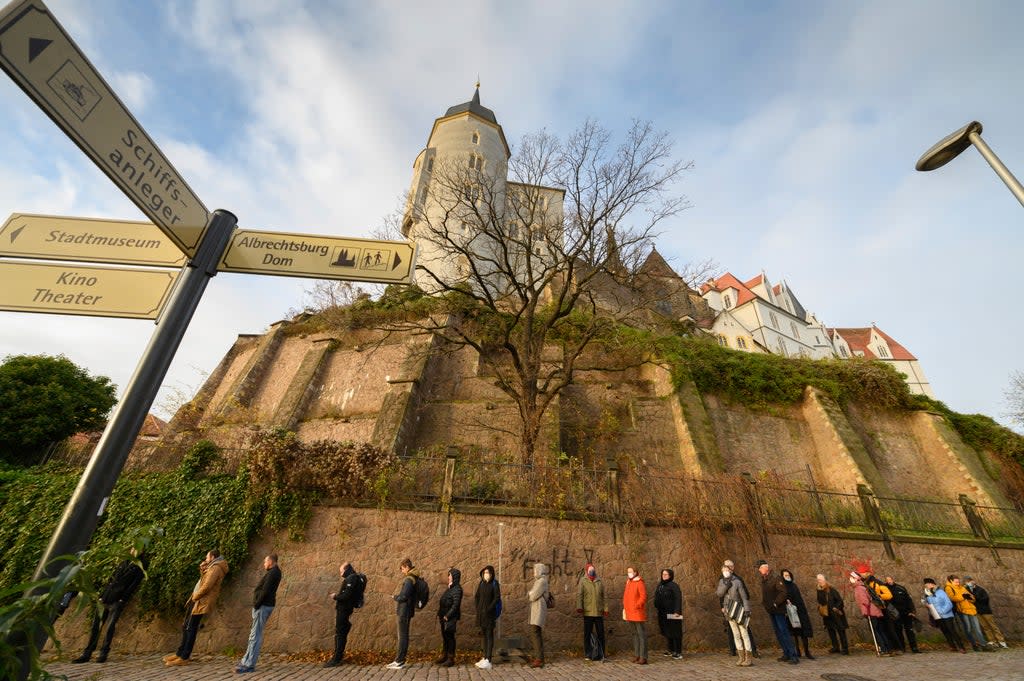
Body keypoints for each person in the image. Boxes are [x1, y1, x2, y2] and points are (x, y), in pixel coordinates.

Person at [72, 547, 148, 664]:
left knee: (109, 628)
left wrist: (122, 600)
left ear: (142, 551)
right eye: (133, 548)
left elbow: (134, 585)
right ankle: (87, 654)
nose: (135, 551)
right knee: (96, 627)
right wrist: (102, 596)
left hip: (117, 600)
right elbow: (112, 579)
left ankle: (104, 653)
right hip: (106, 597)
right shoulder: (124, 561)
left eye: (138, 549)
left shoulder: (141, 565)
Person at [164, 550, 229, 667]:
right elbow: (204, 580)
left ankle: (184, 657)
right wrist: (203, 569)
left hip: (201, 601)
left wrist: (196, 596)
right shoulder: (212, 566)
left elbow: (207, 586)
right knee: (186, 626)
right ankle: (180, 653)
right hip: (197, 600)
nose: (206, 558)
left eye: (207, 557)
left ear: (213, 557)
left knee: (191, 628)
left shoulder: (216, 568)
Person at [235, 554, 281, 674]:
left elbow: (265, 591)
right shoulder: (273, 572)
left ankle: (249, 664)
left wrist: (257, 604)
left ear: (271, 562)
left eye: (265, 562)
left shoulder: (273, 573)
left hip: (263, 606)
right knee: (253, 635)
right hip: (263, 605)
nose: (264, 564)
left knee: (255, 636)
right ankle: (246, 660)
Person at [756, 559, 798, 664]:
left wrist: (776, 603)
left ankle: (793, 655)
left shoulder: (775, 578)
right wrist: (765, 604)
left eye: (760, 568)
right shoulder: (764, 579)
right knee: (778, 632)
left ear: (765, 568)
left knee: (784, 631)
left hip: (778, 609)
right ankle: (786, 653)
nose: (759, 570)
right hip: (771, 610)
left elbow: (783, 592)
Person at [325, 562, 362, 667]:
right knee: (341, 633)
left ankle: (336, 659)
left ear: (347, 569)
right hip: (345, 609)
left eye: (341, 571)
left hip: (344, 610)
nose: (340, 573)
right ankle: (338, 656)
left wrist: (335, 596)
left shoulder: (351, 578)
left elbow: (346, 596)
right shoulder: (351, 578)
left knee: (340, 634)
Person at [717, 562, 753, 666]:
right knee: (736, 634)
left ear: (730, 571)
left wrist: (747, 609)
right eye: (723, 571)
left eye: (727, 570)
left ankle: (748, 658)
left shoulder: (737, 581)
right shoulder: (721, 581)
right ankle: (741, 657)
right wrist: (726, 585)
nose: (725, 572)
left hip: (738, 609)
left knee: (744, 633)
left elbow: (744, 597)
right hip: (729, 610)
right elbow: (719, 593)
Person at [386, 558, 419, 670]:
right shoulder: (413, 578)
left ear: (406, 567)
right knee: (403, 636)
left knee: (402, 637)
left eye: (402, 568)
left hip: (404, 611)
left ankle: (399, 661)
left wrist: (395, 597)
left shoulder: (409, 579)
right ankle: (400, 660)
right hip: (406, 611)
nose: (401, 571)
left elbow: (404, 597)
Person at [721, 559, 758, 658]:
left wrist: (744, 607)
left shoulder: (738, 579)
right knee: (731, 630)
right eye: (727, 566)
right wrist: (722, 606)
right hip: (728, 608)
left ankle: (752, 651)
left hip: (739, 608)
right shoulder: (722, 579)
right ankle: (733, 650)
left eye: (730, 566)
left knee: (745, 630)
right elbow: (721, 595)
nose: (729, 568)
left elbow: (745, 595)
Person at [851, 571, 892, 656]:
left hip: (871, 612)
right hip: (876, 610)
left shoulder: (859, 588)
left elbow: (864, 602)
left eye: (852, 577)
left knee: (876, 631)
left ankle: (883, 649)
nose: (850, 579)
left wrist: (865, 613)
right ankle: (888, 648)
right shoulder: (863, 585)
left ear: (856, 579)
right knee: (880, 630)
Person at [944, 575, 988, 651]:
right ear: (951, 581)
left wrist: (970, 598)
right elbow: (952, 598)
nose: (958, 583)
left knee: (977, 629)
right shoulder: (948, 588)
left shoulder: (962, 587)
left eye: (958, 581)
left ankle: (983, 645)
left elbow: (972, 598)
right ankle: (974, 645)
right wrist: (963, 596)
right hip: (962, 610)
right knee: (968, 629)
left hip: (971, 609)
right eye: (956, 582)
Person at [923, 578, 966, 653]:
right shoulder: (928, 594)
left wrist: (942, 611)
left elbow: (949, 604)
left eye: (927, 584)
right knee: (945, 631)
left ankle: (961, 647)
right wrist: (926, 604)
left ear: (932, 584)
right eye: (925, 585)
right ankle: (953, 646)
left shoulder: (941, 592)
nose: (926, 586)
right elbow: (930, 604)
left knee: (952, 631)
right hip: (937, 616)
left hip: (947, 615)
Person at [862, 572, 900, 656]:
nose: (862, 575)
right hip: (878, 609)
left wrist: (877, 596)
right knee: (883, 629)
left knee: (889, 629)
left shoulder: (878, 583)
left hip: (885, 609)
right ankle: (889, 648)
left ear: (868, 574)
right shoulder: (866, 584)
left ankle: (896, 648)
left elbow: (889, 595)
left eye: (863, 573)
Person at [576, 562, 607, 661]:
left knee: (601, 633)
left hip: (598, 611)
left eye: (592, 570)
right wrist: (579, 606)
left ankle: (602, 653)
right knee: (587, 633)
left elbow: (604, 596)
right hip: (588, 611)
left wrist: (605, 608)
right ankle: (588, 653)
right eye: (589, 570)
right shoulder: (583, 581)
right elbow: (580, 595)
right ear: (586, 571)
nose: (591, 572)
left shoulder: (599, 581)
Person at [965, 576, 1007, 648]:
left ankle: (1001, 641)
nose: (969, 583)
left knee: (993, 626)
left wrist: (974, 597)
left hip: (985, 611)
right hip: (977, 611)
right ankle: (992, 641)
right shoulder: (967, 590)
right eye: (967, 582)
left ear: (973, 581)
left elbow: (985, 599)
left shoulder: (980, 589)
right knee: (985, 627)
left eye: (969, 581)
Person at [780, 568, 813, 659]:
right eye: (785, 575)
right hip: (791, 611)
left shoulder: (794, 585)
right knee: (794, 633)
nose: (787, 577)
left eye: (788, 575)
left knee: (803, 632)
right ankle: (797, 651)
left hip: (800, 610)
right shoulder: (783, 587)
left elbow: (799, 597)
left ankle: (807, 651)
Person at [474, 564, 500, 669]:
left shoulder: (495, 584)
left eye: (488, 573)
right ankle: (484, 657)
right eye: (485, 573)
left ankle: (489, 659)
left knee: (489, 635)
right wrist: (478, 607)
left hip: (489, 614)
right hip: (481, 614)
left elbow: (497, 597)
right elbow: (477, 596)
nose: (486, 574)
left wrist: (489, 608)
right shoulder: (481, 583)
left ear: (492, 573)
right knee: (484, 636)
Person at [884, 575, 919, 654]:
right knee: (898, 631)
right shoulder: (885, 589)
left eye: (890, 579)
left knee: (910, 631)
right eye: (887, 580)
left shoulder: (901, 588)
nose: (889, 581)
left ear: (893, 579)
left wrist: (912, 611)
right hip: (895, 614)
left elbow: (909, 600)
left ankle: (914, 648)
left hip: (906, 613)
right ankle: (902, 648)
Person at [815, 574, 848, 655]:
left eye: (821, 580)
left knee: (841, 631)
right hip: (827, 615)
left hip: (835, 614)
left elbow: (840, 601)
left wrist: (835, 608)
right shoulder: (819, 590)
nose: (820, 581)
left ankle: (845, 648)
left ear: (825, 580)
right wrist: (819, 590)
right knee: (831, 631)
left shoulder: (832, 590)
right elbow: (821, 601)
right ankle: (835, 647)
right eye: (818, 580)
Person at [435, 567, 462, 667]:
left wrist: (447, 615)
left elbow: (456, 605)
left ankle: (451, 658)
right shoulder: (450, 588)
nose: (448, 577)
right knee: (445, 637)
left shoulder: (457, 589)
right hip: (443, 616)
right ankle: (444, 655)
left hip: (450, 617)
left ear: (454, 576)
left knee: (450, 637)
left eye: (449, 575)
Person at [654, 568, 683, 660]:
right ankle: (670, 650)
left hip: (673, 612)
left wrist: (677, 611)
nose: (664, 576)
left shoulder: (674, 586)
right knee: (667, 631)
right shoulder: (660, 585)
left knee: (675, 632)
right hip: (663, 612)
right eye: (663, 574)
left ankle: (678, 652)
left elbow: (678, 598)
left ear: (670, 576)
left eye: (666, 574)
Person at [623, 566, 648, 664]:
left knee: (641, 635)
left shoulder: (639, 582)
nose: (629, 573)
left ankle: (643, 657)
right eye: (628, 572)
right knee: (634, 634)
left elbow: (643, 596)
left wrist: (637, 605)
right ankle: (637, 655)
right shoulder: (628, 582)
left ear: (635, 572)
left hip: (637, 612)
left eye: (630, 571)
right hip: (629, 612)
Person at [527, 562, 550, 668]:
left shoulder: (541, 582)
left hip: (539, 610)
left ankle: (539, 659)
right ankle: (539, 657)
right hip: (537, 609)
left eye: (535, 570)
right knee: (536, 632)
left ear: (540, 571)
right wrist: (531, 593)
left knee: (534, 632)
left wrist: (530, 593)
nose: (534, 572)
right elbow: (531, 593)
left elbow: (532, 596)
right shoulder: (539, 581)